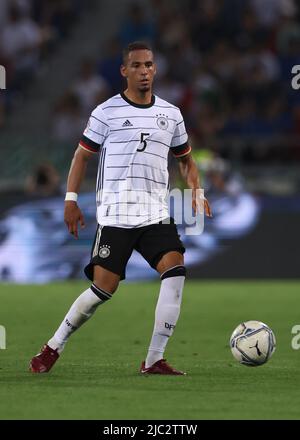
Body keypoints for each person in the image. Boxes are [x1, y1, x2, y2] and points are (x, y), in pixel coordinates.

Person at [29, 41, 212, 375]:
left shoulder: (170, 114)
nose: (144, 72)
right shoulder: (106, 112)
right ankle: (53, 347)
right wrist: (70, 201)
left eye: (149, 65)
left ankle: (155, 359)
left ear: (155, 69)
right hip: (116, 214)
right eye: (137, 66)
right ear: (124, 71)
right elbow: (82, 156)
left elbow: (185, 159)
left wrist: (197, 189)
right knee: (102, 291)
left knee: (175, 272)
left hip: (156, 213)